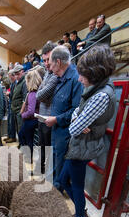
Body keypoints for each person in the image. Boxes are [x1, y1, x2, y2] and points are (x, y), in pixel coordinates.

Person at [59, 45, 116, 217]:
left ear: (95, 74)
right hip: (79, 146)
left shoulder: (100, 96)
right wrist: (78, 120)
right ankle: (81, 212)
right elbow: (77, 113)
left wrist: (78, 122)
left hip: (83, 149)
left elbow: (73, 129)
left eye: (83, 74)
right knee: (63, 180)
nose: (79, 78)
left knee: (75, 183)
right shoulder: (95, 89)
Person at [45, 46, 83, 188]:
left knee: (60, 161)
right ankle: (54, 185)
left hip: (65, 131)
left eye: (50, 61)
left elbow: (76, 109)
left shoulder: (75, 79)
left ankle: (57, 191)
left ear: (58, 62)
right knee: (55, 159)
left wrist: (57, 119)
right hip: (56, 129)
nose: (48, 64)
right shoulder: (59, 78)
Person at [36, 41, 59, 175]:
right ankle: (41, 171)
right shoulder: (47, 74)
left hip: (50, 118)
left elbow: (40, 95)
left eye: (48, 60)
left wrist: (43, 89)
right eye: (44, 60)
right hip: (42, 118)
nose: (46, 63)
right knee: (41, 147)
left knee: (50, 149)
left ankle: (49, 175)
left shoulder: (56, 76)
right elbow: (40, 92)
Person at [18, 69, 42, 159]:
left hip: (31, 120)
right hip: (36, 119)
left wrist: (23, 115)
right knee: (28, 138)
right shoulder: (38, 92)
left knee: (25, 137)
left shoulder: (32, 94)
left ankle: (28, 156)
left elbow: (31, 111)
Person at [10, 64, 27, 138]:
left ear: (22, 72)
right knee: (18, 130)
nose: (16, 76)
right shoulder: (18, 82)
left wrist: (21, 112)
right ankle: (21, 144)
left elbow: (25, 99)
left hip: (20, 111)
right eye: (15, 74)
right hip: (16, 110)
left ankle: (23, 146)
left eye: (18, 74)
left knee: (21, 130)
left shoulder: (24, 82)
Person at [3, 70, 17, 143]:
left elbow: (15, 95)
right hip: (10, 104)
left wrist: (9, 94)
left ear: (12, 75)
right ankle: (9, 136)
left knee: (12, 122)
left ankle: (12, 137)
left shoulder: (15, 83)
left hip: (13, 105)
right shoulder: (12, 83)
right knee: (9, 121)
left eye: (9, 76)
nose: (9, 77)